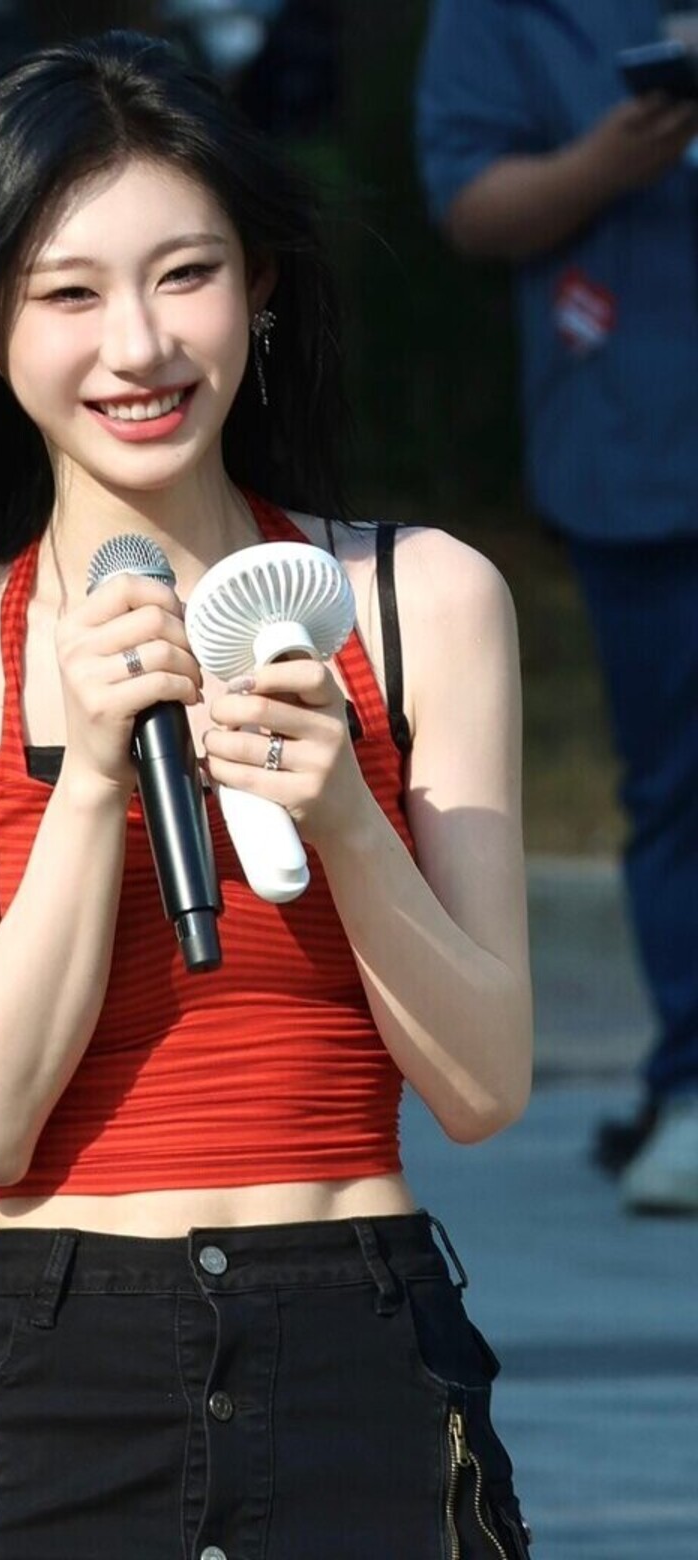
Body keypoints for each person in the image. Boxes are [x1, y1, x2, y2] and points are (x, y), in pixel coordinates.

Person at [0, 31, 534, 1559]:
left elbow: (482, 1087)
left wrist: (346, 819)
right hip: (64, 1365)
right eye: (67, 294)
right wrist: (86, 783)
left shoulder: (424, 602)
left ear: (260, 284)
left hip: (365, 1351)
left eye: (185, 274)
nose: (137, 346)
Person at [417, 0, 698, 1215]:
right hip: (641, 445)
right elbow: (470, 200)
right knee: (682, 786)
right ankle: (692, 1085)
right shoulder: (501, 13)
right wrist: (608, 160)